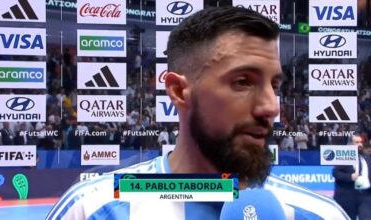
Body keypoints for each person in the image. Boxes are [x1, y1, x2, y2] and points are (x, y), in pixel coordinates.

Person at [46, 7, 349, 220]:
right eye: (242, 82)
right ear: (178, 91)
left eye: (274, 84)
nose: (270, 107)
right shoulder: (89, 209)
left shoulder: (320, 214)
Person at [333, 134, 371, 220]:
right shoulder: (343, 157)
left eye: (361, 142)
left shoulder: (366, 158)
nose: (360, 144)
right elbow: (335, 173)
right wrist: (350, 177)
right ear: (350, 144)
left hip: (365, 197)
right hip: (348, 197)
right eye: (357, 142)